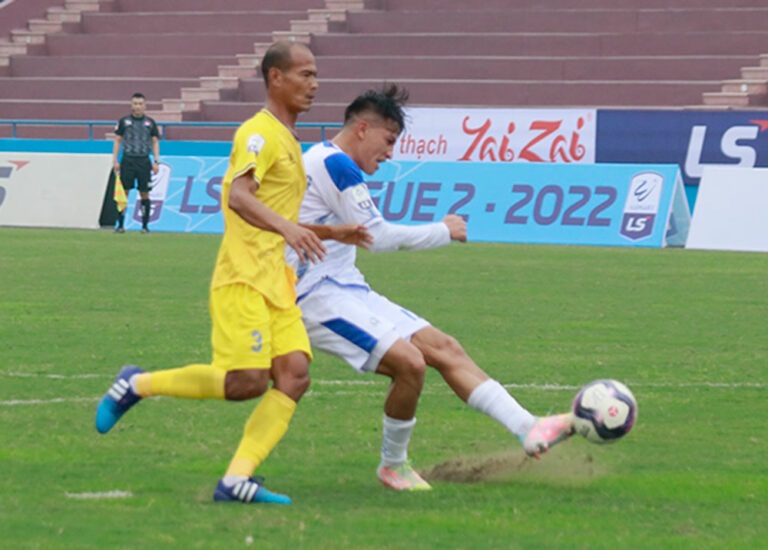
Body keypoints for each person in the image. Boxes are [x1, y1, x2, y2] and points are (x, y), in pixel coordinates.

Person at [95, 41, 371, 504]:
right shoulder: (257, 133)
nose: (315, 84)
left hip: (277, 281)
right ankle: (136, 384)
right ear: (275, 78)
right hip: (244, 276)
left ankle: (236, 480)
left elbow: (276, 213)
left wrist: (330, 231)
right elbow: (239, 197)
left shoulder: (288, 139)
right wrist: (290, 229)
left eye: (316, 75)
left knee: (295, 375)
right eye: (305, 74)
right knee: (246, 382)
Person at [289, 84, 574, 491]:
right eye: (389, 140)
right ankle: (393, 466)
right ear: (363, 129)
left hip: (346, 286)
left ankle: (528, 427)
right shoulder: (335, 164)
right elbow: (377, 237)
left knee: (444, 348)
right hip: (313, 295)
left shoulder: (328, 162)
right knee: (410, 364)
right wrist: (443, 230)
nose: (390, 154)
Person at [112, 92, 160, 233]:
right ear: (131, 105)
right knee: (124, 193)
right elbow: (118, 141)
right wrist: (115, 160)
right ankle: (120, 225)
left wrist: (156, 161)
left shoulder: (150, 123)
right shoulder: (124, 122)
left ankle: (144, 226)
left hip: (144, 161)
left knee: (144, 193)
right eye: (135, 104)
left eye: (140, 104)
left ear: (145, 106)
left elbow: (155, 142)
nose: (137, 106)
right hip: (128, 160)